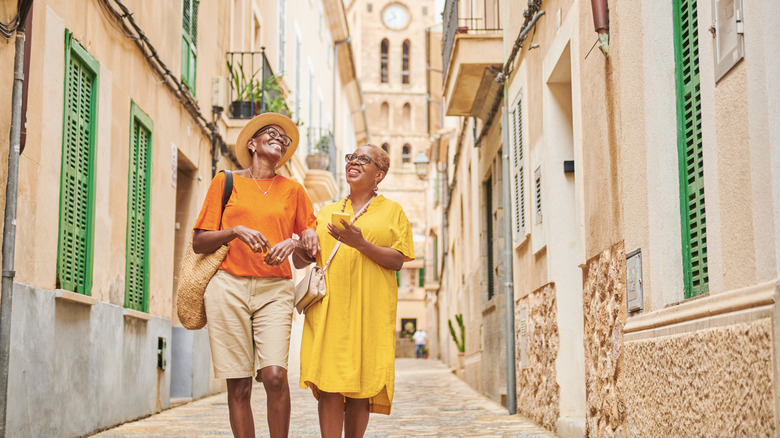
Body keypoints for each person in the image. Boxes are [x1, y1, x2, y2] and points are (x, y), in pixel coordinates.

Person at [192, 112, 319, 438]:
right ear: (252, 143)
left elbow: (307, 257)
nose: (280, 138)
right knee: (239, 386)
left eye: (284, 138)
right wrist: (234, 230)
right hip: (227, 286)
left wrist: (294, 243)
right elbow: (199, 241)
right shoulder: (226, 182)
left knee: (275, 376)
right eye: (271, 133)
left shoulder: (294, 191)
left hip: (275, 289)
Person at [297, 144, 415, 438]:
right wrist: (302, 244)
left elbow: (398, 260)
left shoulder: (392, 212)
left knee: (361, 385)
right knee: (329, 384)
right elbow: (304, 260)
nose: (354, 162)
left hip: (370, 309)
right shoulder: (326, 212)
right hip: (328, 310)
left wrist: (361, 244)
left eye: (364, 159)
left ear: (380, 174)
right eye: (351, 157)